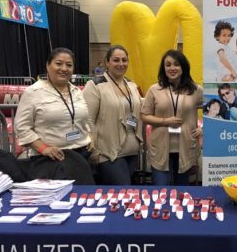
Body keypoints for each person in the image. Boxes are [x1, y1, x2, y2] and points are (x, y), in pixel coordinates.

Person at [14, 48, 94, 183]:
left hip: (81, 156)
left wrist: (90, 135)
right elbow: (21, 127)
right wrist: (43, 148)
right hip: (51, 160)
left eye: (69, 65)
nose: (64, 68)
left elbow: (82, 119)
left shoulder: (77, 92)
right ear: (48, 65)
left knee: (83, 199)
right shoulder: (33, 92)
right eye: (59, 63)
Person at [83, 45, 144, 185]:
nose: (121, 64)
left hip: (131, 150)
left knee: (123, 194)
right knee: (123, 190)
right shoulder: (95, 85)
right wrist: (93, 149)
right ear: (107, 62)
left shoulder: (131, 85)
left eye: (124, 60)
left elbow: (140, 106)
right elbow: (88, 119)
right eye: (116, 60)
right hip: (108, 152)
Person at [141, 50, 203, 186]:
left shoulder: (195, 90)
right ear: (163, 68)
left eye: (176, 64)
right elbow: (144, 116)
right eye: (168, 65)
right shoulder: (154, 89)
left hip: (186, 147)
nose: (172, 68)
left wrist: (203, 129)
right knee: (161, 192)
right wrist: (165, 121)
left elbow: (213, 110)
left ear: (183, 67)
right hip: (160, 148)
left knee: (182, 193)